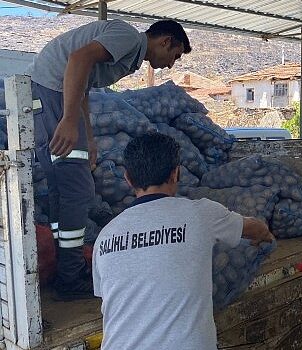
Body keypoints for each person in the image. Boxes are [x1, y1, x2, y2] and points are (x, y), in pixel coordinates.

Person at [27, 19, 191, 300]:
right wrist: (68, 120)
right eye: (174, 56)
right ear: (165, 41)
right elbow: (79, 59)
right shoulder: (128, 37)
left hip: (48, 94)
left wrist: (87, 136)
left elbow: (83, 86)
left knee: (61, 188)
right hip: (53, 93)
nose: (171, 65)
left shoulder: (128, 51)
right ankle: (70, 276)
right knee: (78, 191)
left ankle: (64, 268)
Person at [92, 132, 275, 350]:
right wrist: (265, 235)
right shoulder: (202, 213)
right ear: (176, 173)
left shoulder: (105, 237)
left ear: (128, 178)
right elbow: (253, 228)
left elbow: (112, 297)